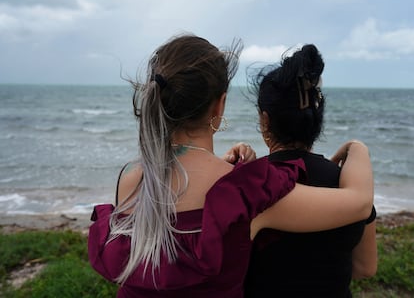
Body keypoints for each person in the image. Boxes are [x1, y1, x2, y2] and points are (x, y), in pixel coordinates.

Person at [88, 34, 374, 298]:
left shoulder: (129, 177)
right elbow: (359, 203)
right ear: (220, 105)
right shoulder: (245, 192)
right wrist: (357, 149)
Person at [244, 44, 377, 298]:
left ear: (265, 120)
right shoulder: (351, 186)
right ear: (317, 120)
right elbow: (365, 267)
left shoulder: (250, 187)